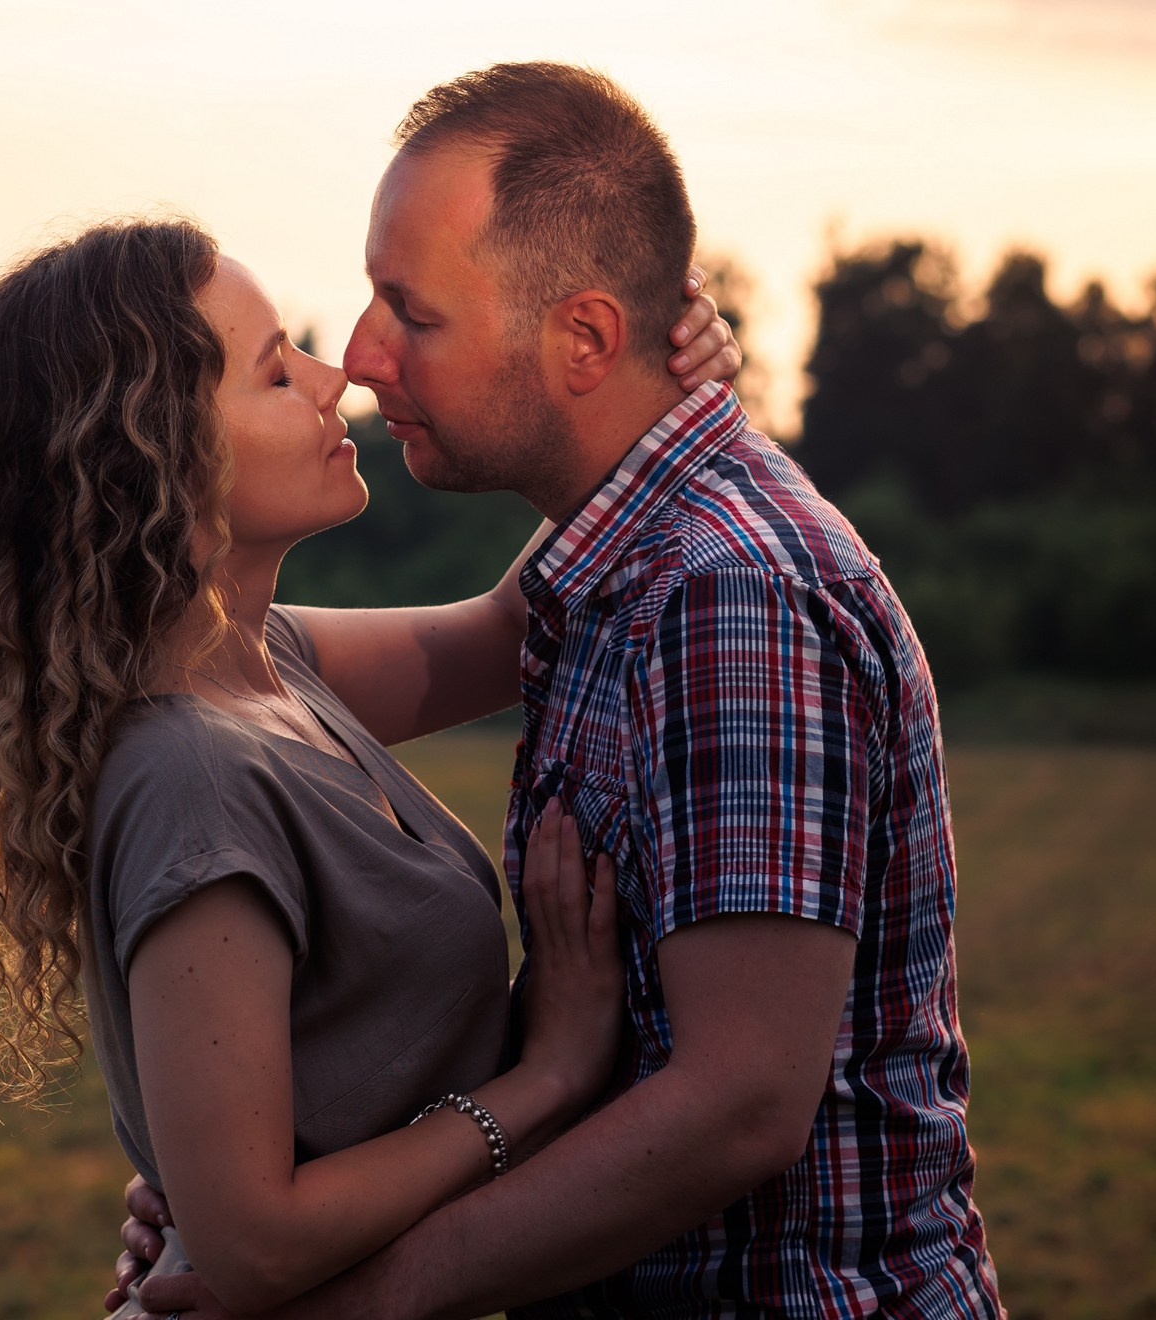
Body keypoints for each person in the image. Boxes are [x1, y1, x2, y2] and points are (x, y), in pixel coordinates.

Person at [121, 62, 1002, 1319]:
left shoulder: (725, 597)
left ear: (583, 337)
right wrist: (230, 1194)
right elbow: (436, 638)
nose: (359, 362)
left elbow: (739, 1104)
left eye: (410, 314)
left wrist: (349, 1300)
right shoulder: (608, 575)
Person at [0, 219, 743, 1313]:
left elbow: (511, 625)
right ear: (155, 459)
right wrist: (546, 1081)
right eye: (275, 367)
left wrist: (648, 392)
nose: (333, 374)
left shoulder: (270, 669)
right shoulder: (194, 775)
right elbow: (253, 1242)